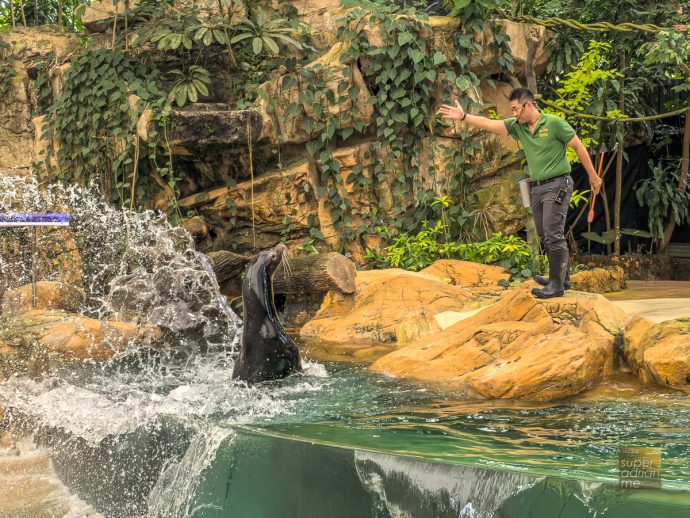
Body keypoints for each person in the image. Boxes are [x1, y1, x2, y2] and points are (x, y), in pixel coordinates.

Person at [437, 87, 602, 299]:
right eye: (512, 110)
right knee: (544, 233)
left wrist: (593, 176)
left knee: (553, 233)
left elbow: (578, 147)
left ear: (529, 105)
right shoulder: (518, 127)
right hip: (537, 186)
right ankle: (562, 277)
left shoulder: (553, 123)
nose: (514, 114)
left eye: (516, 109)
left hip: (558, 184)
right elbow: (491, 124)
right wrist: (464, 116)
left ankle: (556, 285)